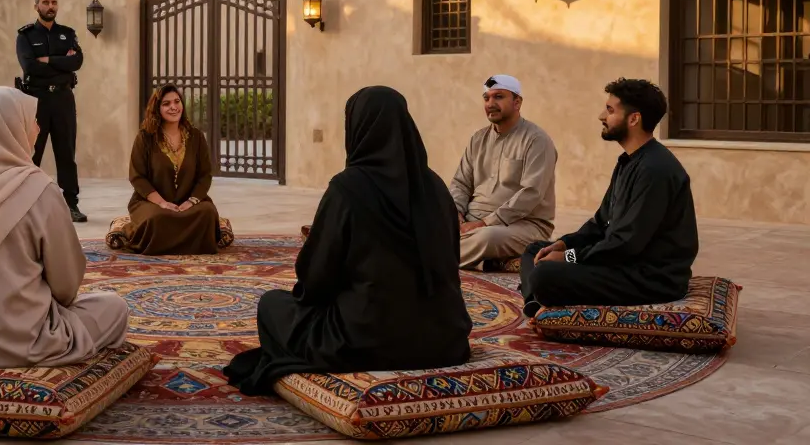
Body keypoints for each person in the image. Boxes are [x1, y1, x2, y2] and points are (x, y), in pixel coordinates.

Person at [223, 86, 472, 396]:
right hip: (445, 338)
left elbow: (314, 279)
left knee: (272, 305)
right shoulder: (436, 188)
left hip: (365, 339)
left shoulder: (348, 189)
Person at [0, 86, 128, 368]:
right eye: (32, 121)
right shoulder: (39, 190)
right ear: (10, 128)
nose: (38, 129)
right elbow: (66, 285)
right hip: (21, 343)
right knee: (114, 308)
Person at [519, 78, 698, 317]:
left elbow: (626, 243)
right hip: (622, 261)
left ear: (634, 119)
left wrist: (569, 257)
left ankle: (537, 293)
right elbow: (600, 222)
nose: (601, 116)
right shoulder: (629, 161)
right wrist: (563, 244)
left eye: (610, 110)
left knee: (545, 273)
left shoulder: (656, 170)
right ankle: (534, 301)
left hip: (649, 276)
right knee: (535, 250)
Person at [449, 74, 557, 269]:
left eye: (498, 97)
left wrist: (485, 222)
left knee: (488, 238)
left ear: (517, 102)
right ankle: (487, 260)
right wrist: (455, 212)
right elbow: (460, 183)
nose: (490, 103)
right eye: (486, 98)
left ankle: (431, 258)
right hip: (473, 222)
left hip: (523, 225)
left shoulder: (536, 140)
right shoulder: (478, 139)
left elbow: (531, 193)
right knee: (426, 221)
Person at [123, 84, 222, 255]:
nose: (173, 107)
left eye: (177, 101)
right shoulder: (145, 138)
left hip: (187, 202)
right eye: (166, 103)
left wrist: (191, 202)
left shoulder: (196, 137)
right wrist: (162, 203)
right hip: (151, 202)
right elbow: (137, 177)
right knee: (157, 219)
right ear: (157, 108)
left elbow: (205, 175)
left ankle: (177, 239)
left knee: (207, 213)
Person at [16, 0, 87, 223]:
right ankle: (27, 203)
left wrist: (48, 60)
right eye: (45, 2)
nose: (50, 6)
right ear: (36, 6)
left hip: (63, 100)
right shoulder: (25, 36)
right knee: (32, 152)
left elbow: (77, 61)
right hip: (36, 101)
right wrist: (61, 64)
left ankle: (71, 204)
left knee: (66, 153)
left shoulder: (67, 34)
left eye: (54, 2)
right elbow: (29, 67)